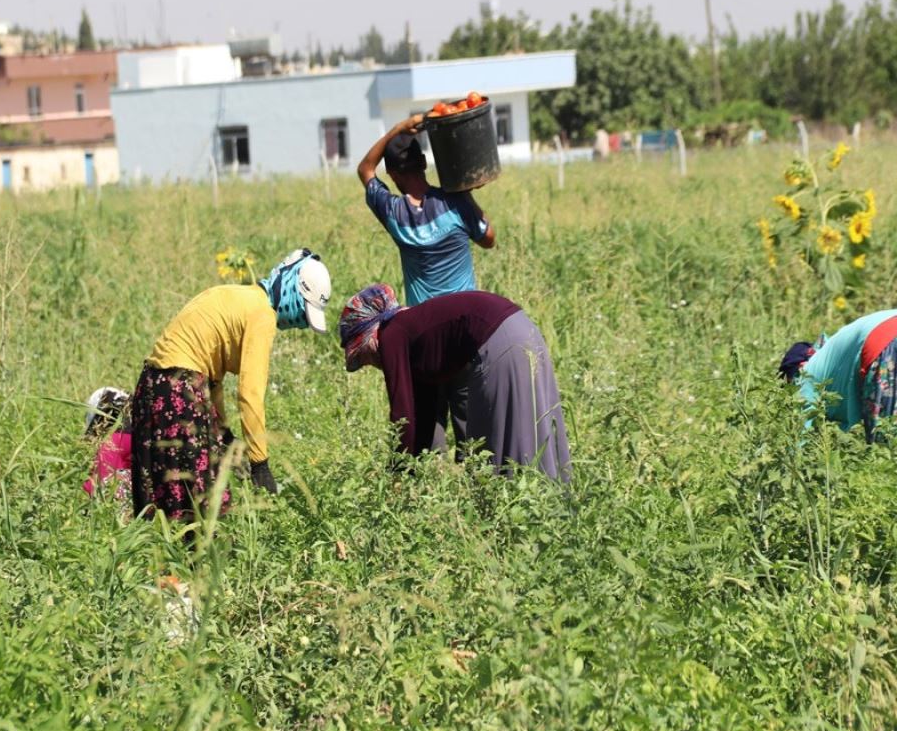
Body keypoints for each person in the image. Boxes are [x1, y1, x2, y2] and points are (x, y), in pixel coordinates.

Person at [130, 249, 331, 524]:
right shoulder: (262, 314)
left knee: (160, 501)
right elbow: (250, 394)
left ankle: (156, 564)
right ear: (294, 289)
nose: (296, 323)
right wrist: (260, 464)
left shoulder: (235, 295)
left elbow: (212, 378)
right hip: (181, 392)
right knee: (202, 505)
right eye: (302, 312)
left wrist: (223, 434)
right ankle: (198, 566)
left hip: (153, 388)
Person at [357, 115, 496, 451]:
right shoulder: (455, 202)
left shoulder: (393, 213)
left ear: (393, 174)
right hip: (465, 334)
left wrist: (399, 129)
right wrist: (465, 192)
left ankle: (430, 493)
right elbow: (489, 238)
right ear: (423, 164)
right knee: (472, 436)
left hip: (425, 337)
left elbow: (365, 170)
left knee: (427, 426)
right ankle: (476, 495)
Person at [338, 284, 570, 482]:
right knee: (535, 426)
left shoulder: (391, 333)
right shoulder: (412, 331)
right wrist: (414, 471)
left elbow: (402, 415)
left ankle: (512, 524)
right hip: (522, 327)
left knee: (495, 448)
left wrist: (398, 475)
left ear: (369, 335)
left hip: (497, 339)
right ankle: (553, 509)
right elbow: (423, 415)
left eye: (362, 356)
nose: (368, 363)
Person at [780, 308, 897, 443]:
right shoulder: (832, 351)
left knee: (890, 450)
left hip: (896, 345)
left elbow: (796, 442)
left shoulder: (806, 375)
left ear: (795, 371)